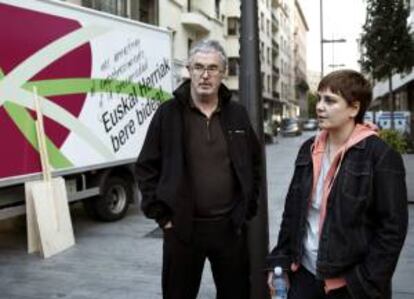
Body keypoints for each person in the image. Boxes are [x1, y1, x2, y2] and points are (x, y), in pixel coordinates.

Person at [136, 39, 262, 299]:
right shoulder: (167, 113)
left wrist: (247, 208)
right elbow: (146, 167)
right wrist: (163, 217)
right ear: (188, 70)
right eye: (199, 67)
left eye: (213, 68)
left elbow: (254, 163)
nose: (205, 75)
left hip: (230, 229)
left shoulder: (237, 114)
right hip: (182, 230)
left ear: (223, 73)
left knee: (236, 294)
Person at [266, 70, 408, 299]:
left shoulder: (380, 156)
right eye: (319, 98)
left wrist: (364, 282)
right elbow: (292, 213)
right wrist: (279, 261)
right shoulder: (309, 149)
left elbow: (392, 229)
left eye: (330, 100)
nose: (319, 106)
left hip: (350, 286)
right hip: (304, 277)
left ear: (354, 108)